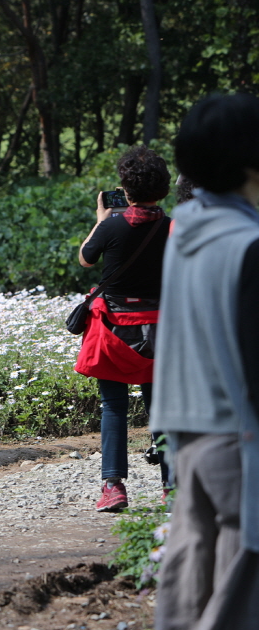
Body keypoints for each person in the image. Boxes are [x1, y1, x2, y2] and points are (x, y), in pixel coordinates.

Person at [151, 92, 259, 630]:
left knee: (192, 562)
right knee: (243, 572)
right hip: (236, 433)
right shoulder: (246, 242)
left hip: (185, 425)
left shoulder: (188, 230)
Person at [76, 145, 172, 511]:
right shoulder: (173, 228)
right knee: (162, 410)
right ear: (162, 190)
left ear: (125, 189)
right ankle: (172, 488)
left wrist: (102, 218)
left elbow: (86, 258)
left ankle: (113, 487)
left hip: (113, 332)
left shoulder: (113, 226)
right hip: (160, 336)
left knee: (113, 406)